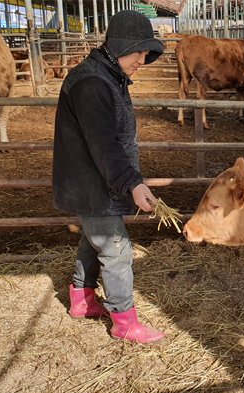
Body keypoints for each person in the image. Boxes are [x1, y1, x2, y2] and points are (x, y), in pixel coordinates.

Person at [52, 10, 165, 343]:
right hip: (91, 183)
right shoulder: (92, 82)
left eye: (147, 53)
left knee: (94, 238)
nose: (143, 60)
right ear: (121, 45)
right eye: (140, 51)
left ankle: (82, 299)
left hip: (93, 181)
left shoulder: (106, 75)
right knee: (116, 250)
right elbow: (104, 144)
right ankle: (125, 322)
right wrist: (131, 182)